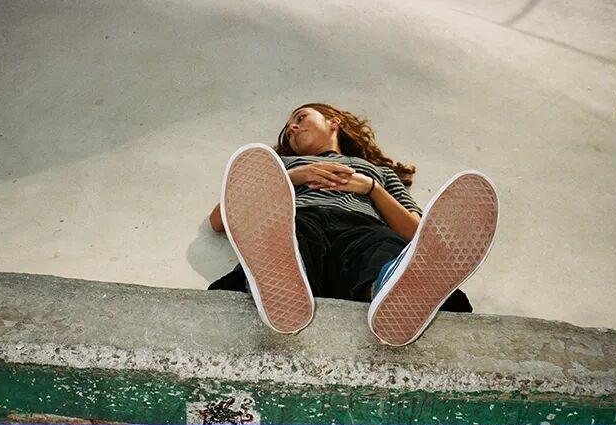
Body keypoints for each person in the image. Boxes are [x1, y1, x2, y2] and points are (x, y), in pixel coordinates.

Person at [207, 103, 499, 346]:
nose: (292, 128)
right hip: (300, 220)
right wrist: (295, 177)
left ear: (334, 122)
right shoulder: (281, 166)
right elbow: (220, 220)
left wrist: (372, 188)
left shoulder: (379, 173)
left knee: (381, 247)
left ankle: (390, 292)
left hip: (362, 227)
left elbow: (416, 232)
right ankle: (280, 286)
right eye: (289, 128)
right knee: (293, 238)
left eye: (301, 118)